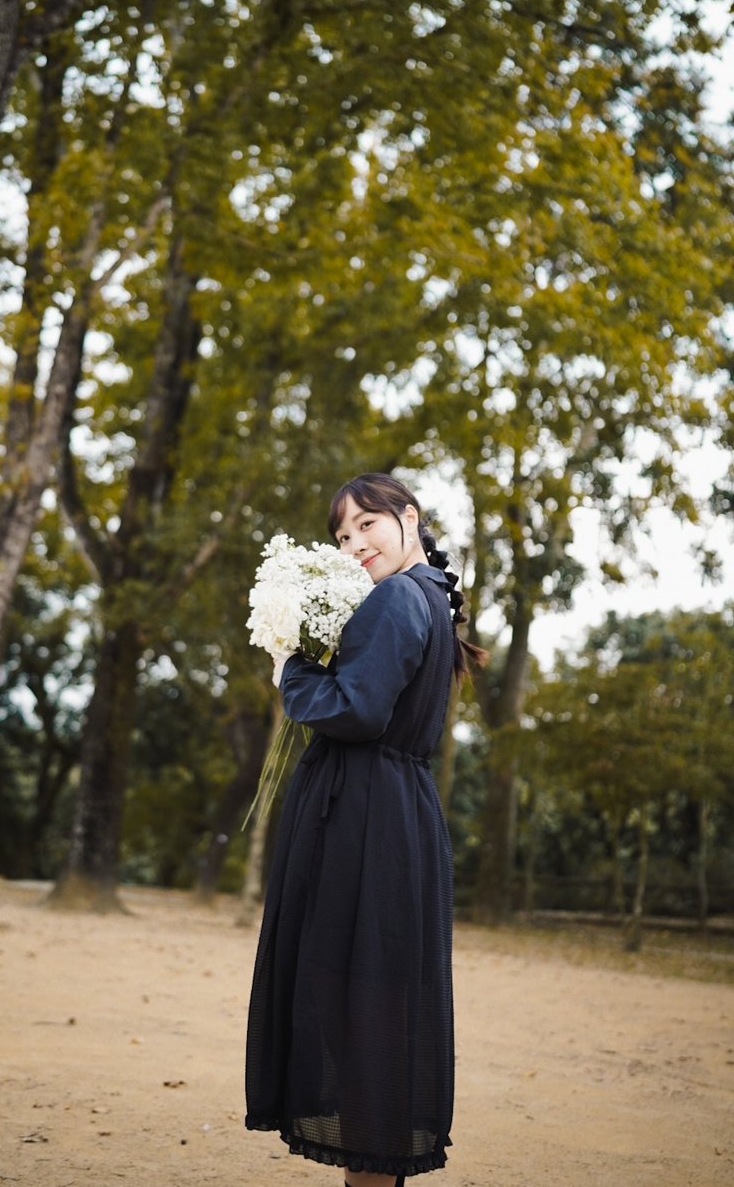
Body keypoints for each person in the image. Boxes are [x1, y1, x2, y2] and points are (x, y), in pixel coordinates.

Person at [245, 472, 483, 1187]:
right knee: (373, 1005)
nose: (353, 545)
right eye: (341, 536)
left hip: (366, 818)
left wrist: (290, 666)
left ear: (408, 518)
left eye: (367, 526)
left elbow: (356, 711)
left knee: (358, 1005)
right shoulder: (431, 599)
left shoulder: (397, 598)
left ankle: (370, 1173)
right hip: (396, 810)